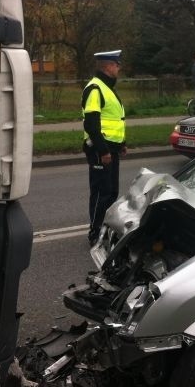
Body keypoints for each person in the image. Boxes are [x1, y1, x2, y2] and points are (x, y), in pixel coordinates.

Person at [82, 50, 127, 245]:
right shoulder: (95, 88)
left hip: (111, 149)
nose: (119, 67)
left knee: (112, 191)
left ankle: (106, 230)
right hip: (101, 150)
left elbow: (114, 119)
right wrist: (103, 151)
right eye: (117, 64)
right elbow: (91, 124)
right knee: (101, 192)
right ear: (108, 66)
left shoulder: (107, 88)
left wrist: (121, 144)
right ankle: (95, 233)